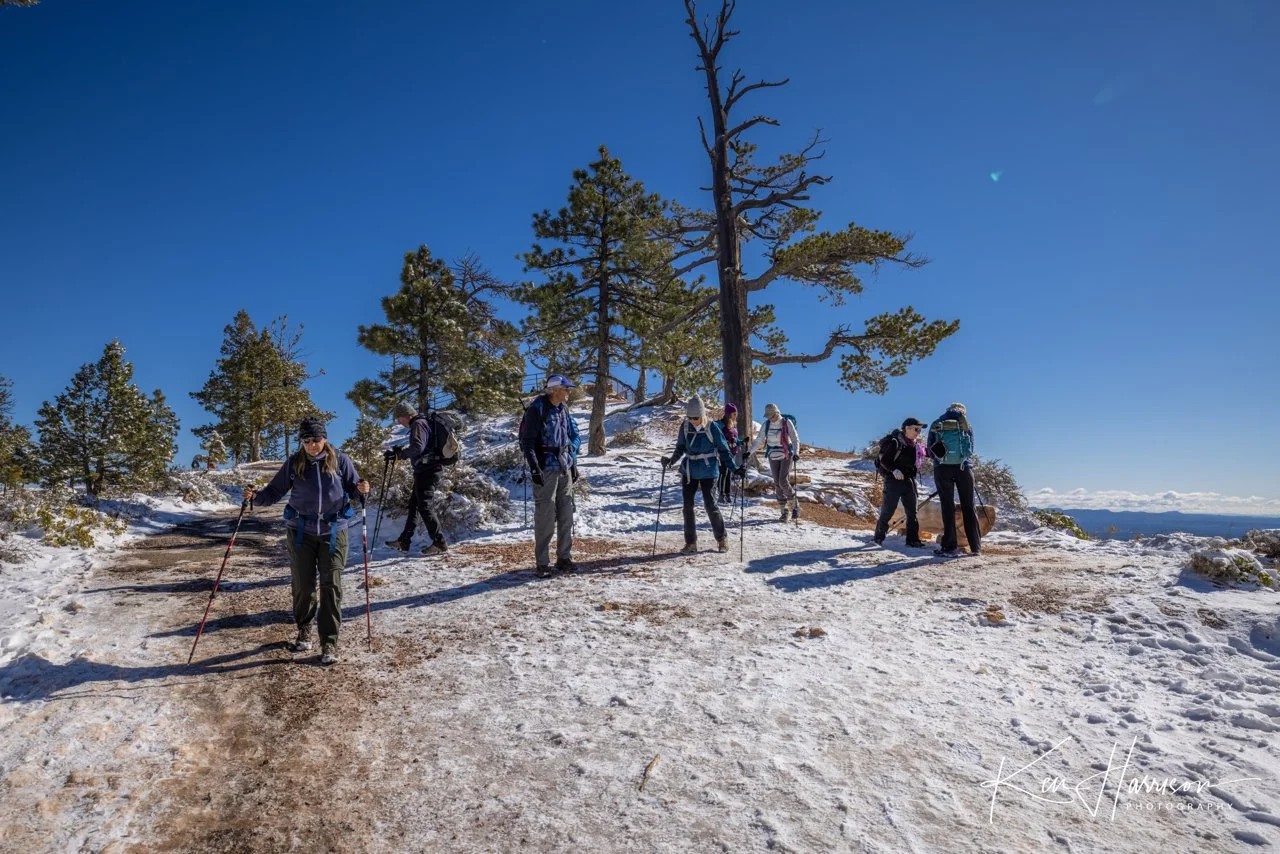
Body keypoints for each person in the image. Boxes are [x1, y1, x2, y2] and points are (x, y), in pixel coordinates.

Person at [245, 417, 370, 666]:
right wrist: (255, 497)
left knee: (331, 585)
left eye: (316, 440)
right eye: (306, 441)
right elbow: (273, 492)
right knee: (303, 584)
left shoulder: (340, 460)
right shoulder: (294, 463)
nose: (312, 445)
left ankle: (329, 642)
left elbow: (353, 490)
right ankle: (304, 629)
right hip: (301, 531)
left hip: (334, 532)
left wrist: (362, 489)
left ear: (325, 438)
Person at [519, 374, 581, 578]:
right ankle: (542, 563)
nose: (568, 392)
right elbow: (527, 442)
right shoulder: (537, 409)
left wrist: (573, 465)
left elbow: (568, 439)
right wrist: (534, 468)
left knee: (566, 514)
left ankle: (564, 558)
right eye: (565, 388)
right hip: (546, 468)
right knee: (545, 516)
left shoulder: (563, 408)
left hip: (564, 466)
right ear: (554, 390)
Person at [662, 395, 742, 554]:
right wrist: (671, 461)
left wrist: (734, 469)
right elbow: (680, 447)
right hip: (689, 471)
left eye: (696, 418)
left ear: (702, 415)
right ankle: (691, 543)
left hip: (709, 470)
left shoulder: (712, 427)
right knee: (687, 507)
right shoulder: (685, 427)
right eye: (690, 417)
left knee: (710, 504)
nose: (693, 420)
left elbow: (724, 450)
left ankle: (722, 539)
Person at [384, 402, 448, 556]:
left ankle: (440, 543)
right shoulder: (421, 423)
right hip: (425, 470)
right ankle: (404, 541)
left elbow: (418, 447)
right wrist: (400, 452)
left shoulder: (418, 424)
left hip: (428, 470)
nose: (399, 422)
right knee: (414, 506)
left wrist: (399, 455)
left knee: (425, 506)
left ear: (405, 415)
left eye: (398, 418)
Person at [928, 402, 981, 557]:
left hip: (942, 468)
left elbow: (930, 449)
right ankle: (975, 547)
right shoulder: (966, 425)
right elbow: (971, 448)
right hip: (964, 468)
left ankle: (949, 547)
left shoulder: (937, 423)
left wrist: (941, 458)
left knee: (947, 506)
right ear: (963, 412)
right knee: (969, 506)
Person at [873, 418, 928, 548]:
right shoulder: (895, 442)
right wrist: (894, 470)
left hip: (909, 480)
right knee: (888, 510)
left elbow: (928, 453)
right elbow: (884, 460)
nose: (918, 432)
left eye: (920, 430)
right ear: (907, 428)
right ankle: (878, 538)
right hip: (893, 481)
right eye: (916, 429)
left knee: (912, 511)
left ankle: (913, 540)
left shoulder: (916, 445)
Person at [745, 403, 801, 522]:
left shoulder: (786, 423)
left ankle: (794, 504)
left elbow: (795, 439)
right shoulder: (766, 425)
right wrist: (749, 452)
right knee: (777, 483)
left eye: (772, 416)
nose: (770, 418)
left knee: (783, 480)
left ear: (777, 413)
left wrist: (796, 453)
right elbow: (759, 440)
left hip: (786, 454)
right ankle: (784, 511)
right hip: (772, 455)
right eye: (768, 416)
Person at [715, 402, 740, 505]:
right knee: (723, 473)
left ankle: (727, 494)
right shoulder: (721, 425)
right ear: (728, 414)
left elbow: (735, 439)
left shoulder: (733, 425)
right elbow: (718, 438)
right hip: (723, 453)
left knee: (729, 474)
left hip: (732, 453)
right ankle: (721, 494)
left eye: (736, 413)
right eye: (734, 414)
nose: (736, 415)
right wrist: (728, 441)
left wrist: (741, 442)